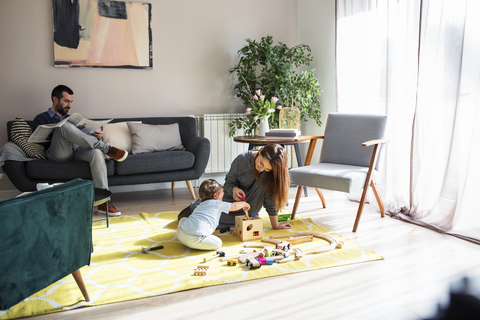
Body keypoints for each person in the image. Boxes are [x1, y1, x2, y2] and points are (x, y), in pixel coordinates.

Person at [32, 85, 128, 216]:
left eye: (71, 102)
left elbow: (80, 138)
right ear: (55, 99)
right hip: (58, 153)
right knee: (63, 126)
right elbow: (37, 141)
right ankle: (106, 148)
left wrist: (96, 135)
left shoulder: (71, 118)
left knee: (96, 153)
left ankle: (103, 201)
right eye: (66, 101)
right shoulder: (40, 118)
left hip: (76, 150)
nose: (69, 105)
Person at [178, 144, 291, 230]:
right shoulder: (242, 159)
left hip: (246, 211)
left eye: (266, 169)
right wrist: (234, 189)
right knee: (184, 216)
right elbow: (229, 183)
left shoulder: (270, 174)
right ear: (260, 151)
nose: (261, 169)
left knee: (208, 222)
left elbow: (269, 200)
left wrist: (275, 225)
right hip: (227, 202)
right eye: (261, 164)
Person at [177, 179, 250, 251]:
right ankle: (205, 238)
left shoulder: (200, 205)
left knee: (184, 219)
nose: (222, 200)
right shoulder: (217, 203)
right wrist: (244, 204)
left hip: (181, 234)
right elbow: (234, 206)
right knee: (218, 243)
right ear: (215, 195)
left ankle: (205, 236)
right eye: (221, 197)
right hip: (195, 239)